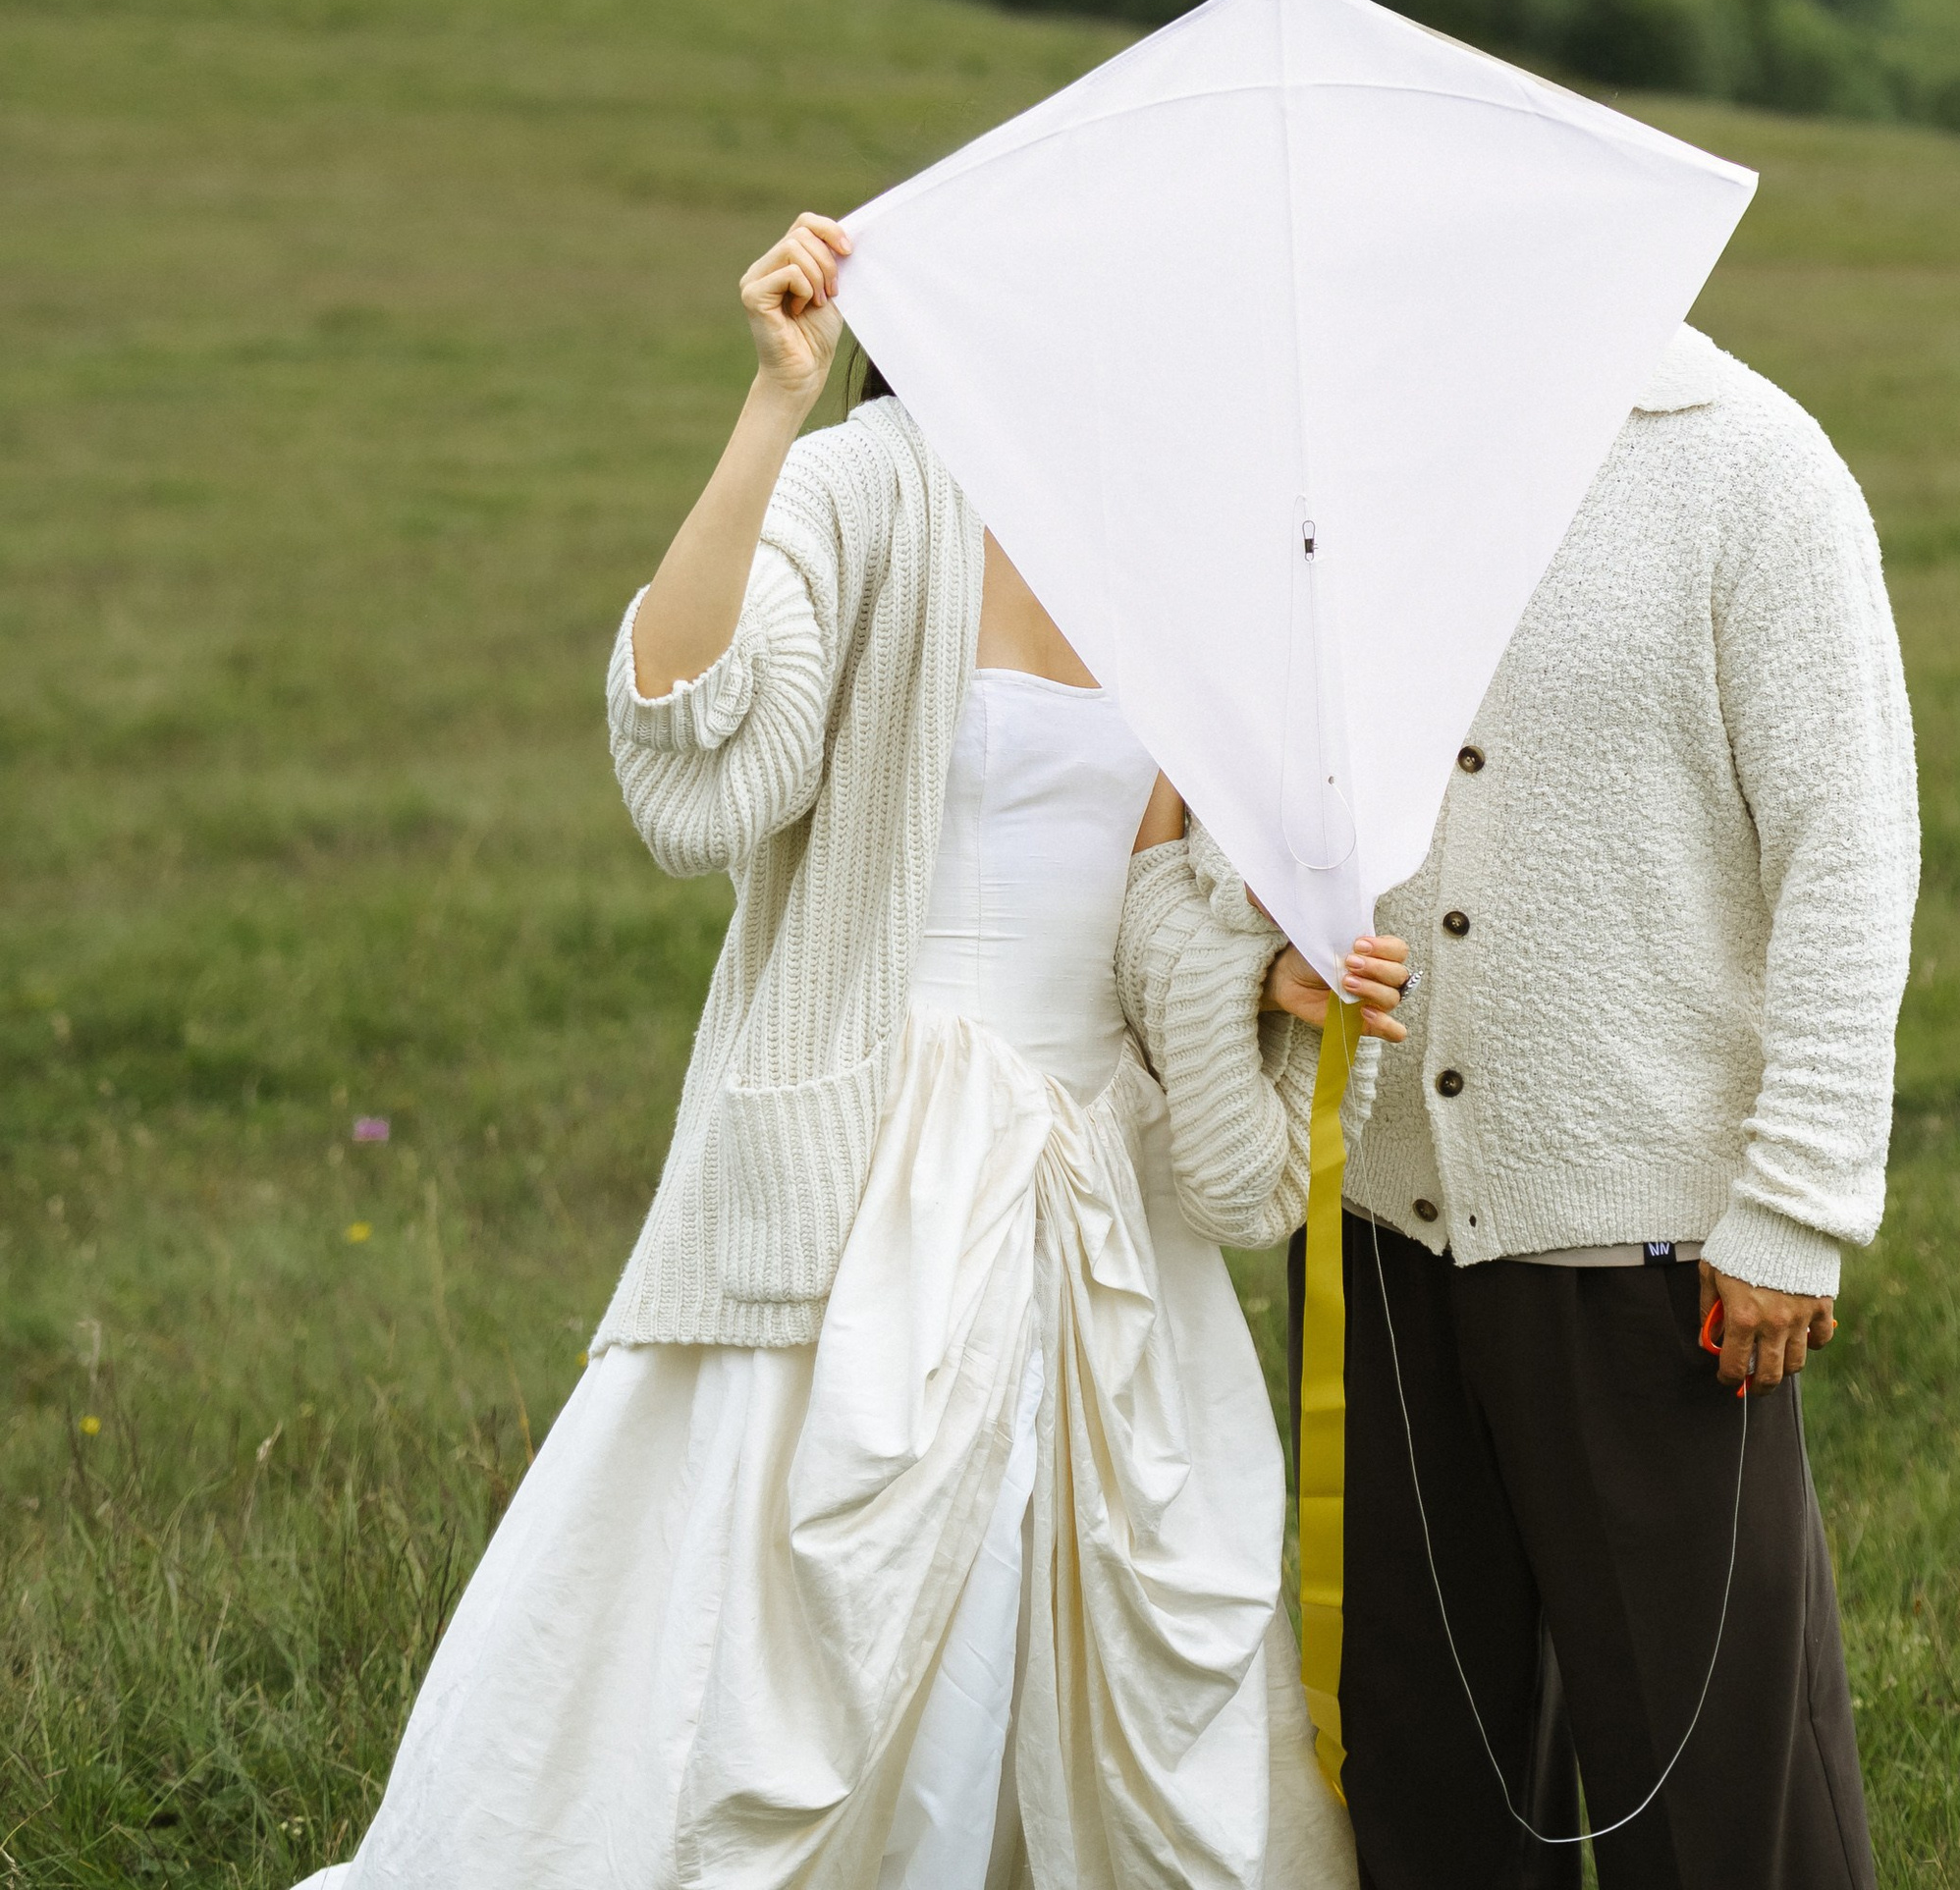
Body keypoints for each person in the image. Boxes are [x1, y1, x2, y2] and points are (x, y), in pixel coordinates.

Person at [304, 209, 1408, 1890]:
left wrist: (1269, 985)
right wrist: (774, 403)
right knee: (811, 1623)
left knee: (1134, 1598)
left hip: (1100, 1168)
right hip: (872, 1149)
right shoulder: (869, 484)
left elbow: (1153, 910)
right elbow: (693, 754)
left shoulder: (1175, 552)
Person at [1299, 314, 1921, 1890]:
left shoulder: (1752, 467)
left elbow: (1851, 849)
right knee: (1425, 1782)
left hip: (1651, 1254)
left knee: (1722, 1806)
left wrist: (1797, 1204)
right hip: (1386, 1223)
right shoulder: (1379, 456)